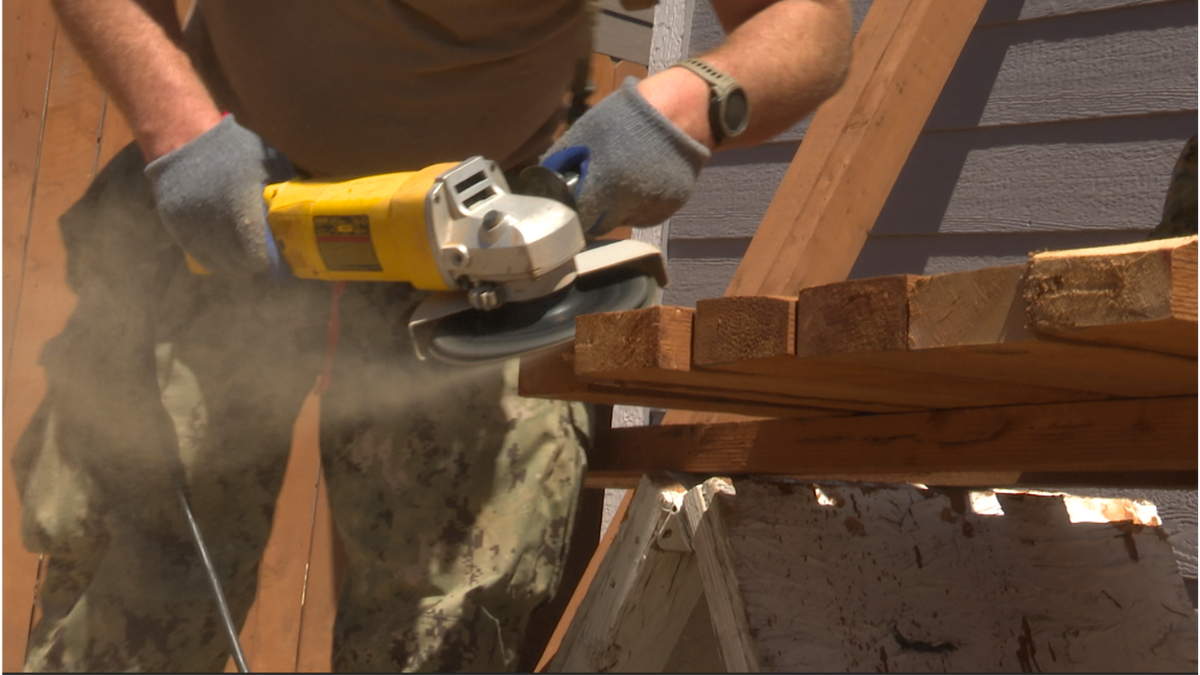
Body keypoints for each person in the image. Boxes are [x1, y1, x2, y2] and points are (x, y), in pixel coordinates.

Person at [14, 0, 852, 671]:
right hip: (225, 204)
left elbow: (810, 22)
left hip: (481, 257)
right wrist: (179, 134)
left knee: (452, 622)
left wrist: (694, 99)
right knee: (129, 609)